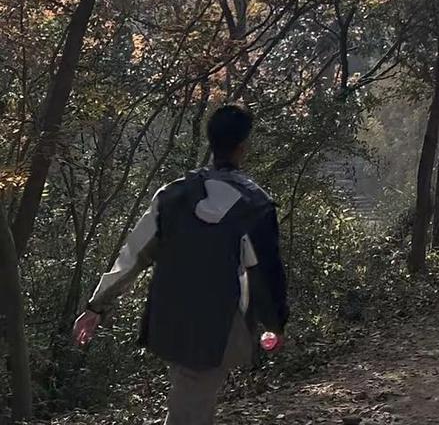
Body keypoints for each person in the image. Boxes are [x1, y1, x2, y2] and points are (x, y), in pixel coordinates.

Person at [72, 105, 289, 425]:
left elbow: (134, 255)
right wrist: (274, 322)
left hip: (169, 320)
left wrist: (96, 306)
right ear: (243, 147)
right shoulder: (255, 205)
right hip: (218, 326)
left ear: (210, 142)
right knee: (191, 407)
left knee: (191, 400)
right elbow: (266, 273)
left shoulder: (172, 195)